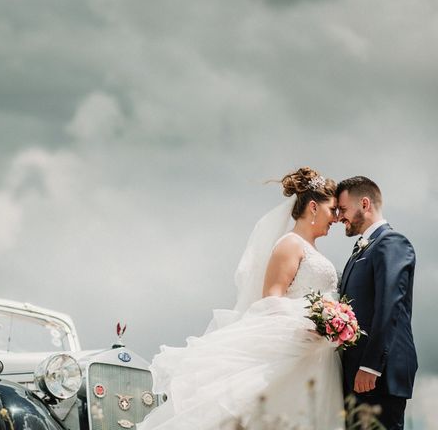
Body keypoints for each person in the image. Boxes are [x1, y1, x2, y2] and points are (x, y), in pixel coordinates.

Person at [139, 167, 344, 430]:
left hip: (318, 355)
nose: (336, 218)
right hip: (299, 345)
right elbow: (271, 298)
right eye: (332, 210)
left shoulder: (312, 249)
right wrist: (312, 323)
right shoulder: (290, 244)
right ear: (314, 207)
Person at [336, 177, 417, 430]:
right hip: (355, 376)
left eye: (343, 209)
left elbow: (389, 306)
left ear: (364, 203)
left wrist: (371, 366)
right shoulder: (359, 251)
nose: (339, 217)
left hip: (377, 376)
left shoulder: (392, 242)